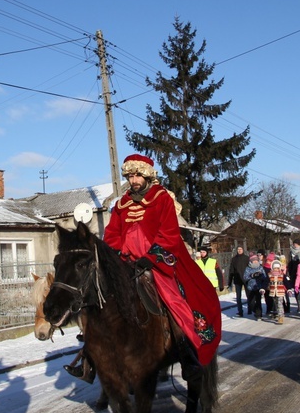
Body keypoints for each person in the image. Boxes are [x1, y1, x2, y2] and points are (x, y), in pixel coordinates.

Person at [100, 154, 222, 384]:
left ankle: (187, 352)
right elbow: (112, 235)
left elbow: (169, 234)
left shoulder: (162, 198)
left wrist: (150, 258)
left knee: (173, 301)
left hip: (158, 262)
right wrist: (116, 256)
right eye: (130, 175)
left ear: (146, 175)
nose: (133, 180)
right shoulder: (120, 204)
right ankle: (91, 355)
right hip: (127, 263)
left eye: (137, 175)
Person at [243, 254, 268, 320]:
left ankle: (259, 314)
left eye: (256, 260)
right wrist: (252, 275)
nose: (255, 261)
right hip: (250, 288)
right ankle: (255, 310)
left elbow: (264, 277)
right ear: (251, 261)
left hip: (258, 287)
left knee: (258, 301)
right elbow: (245, 277)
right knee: (251, 302)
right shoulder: (248, 268)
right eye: (254, 260)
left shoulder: (260, 267)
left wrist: (259, 275)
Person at [227, 246, 250, 317]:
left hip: (246, 279)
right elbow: (231, 270)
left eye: (240, 249)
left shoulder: (246, 258)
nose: (239, 250)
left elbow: (250, 268)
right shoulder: (234, 259)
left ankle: (250, 309)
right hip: (237, 280)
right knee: (238, 297)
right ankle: (240, 311)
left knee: (249, 295)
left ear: (243, 250)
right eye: (238, 249)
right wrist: (230, 282)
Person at [268, 260, 287, 324]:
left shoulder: (282, 275)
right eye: (275, 268)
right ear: (272, 268)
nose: (276, 269)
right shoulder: (270, 275)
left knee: (280, 304)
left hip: (280, 291)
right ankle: (279, 313)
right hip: (273, 292)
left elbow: (286, 282)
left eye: (277, 268)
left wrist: (289, 288)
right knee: (276, 304)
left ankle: (280, 317)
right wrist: (263, 288)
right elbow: (266, 282)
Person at [287, 239, 300, 313]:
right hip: (294, 272)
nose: (295, 245)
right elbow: (289, 262)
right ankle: (299, 305)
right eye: (294, 244)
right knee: (296, 289)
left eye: (296, 244)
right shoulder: (290, 252)